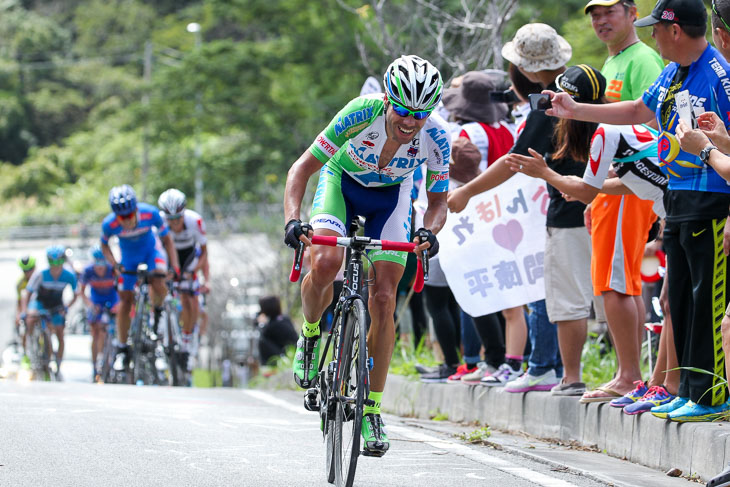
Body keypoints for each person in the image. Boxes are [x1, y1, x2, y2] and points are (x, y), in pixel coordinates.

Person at [547, 0, 730, 422]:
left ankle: (712, 393)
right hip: (676, 196)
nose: (651, 36)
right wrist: (575, 110)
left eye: (656, 29)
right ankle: (687, 388)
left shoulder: (719, 74)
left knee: (707, 301)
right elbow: (636, 111)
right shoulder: (672, 72)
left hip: (712, 197)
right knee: (678, 299)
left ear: (675, 31)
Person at [283, 55, 449, 456]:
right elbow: (301, 170)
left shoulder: (437, 139)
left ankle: (371, 409)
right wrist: (293, 219)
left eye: (421, 115)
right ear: (388, 100)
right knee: (324, 263)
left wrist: (430, 229)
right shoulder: (360, 113)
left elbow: (439, 202)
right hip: (341, 183)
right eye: (404, 111)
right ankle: (309, 334)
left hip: (391, 199)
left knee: (384, 298)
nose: (411, 123)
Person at [507, 64, 674, 407]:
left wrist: (546, 173)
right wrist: (589, 191)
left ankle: (639, 378)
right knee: (667, 302)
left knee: (616, 285)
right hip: (671, 213)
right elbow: (628, 181)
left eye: (556, 104)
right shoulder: (619, 132)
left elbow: (585, 190)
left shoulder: (604, 134)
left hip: (681, 213)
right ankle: (656, 382)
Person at [449, 23, 589, 394]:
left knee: (551, 290)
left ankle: (544, 366)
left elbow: (514, 160)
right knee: (565, 291)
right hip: (585, 199)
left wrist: (468, 193)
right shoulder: (573, 90)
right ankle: (558, 368)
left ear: (524, 69)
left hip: (568, 205)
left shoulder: (549, 101)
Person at [101, 185, 180, 372]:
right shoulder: (109, 224)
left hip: (151, 252)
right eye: (122, 218)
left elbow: (167, 241)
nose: (127, 221)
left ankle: (158, 317)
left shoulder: (150, 214)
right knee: (125, 300)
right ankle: (122, 348)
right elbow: (104, 246)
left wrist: (174, 267)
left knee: (158, 282)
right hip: (128, 258)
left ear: (136, 209)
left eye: (130, 215)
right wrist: (114, 264)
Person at [158, 188, 208, 366]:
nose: (175, 222)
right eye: (170, 219)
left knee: (189, 298)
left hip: (188, 260)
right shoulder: (159, 222)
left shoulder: (195, 221)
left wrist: (196, 273)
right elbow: (156, 250)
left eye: (178, 217)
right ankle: (159, 331)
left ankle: (186, 340)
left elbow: (203, 253)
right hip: (168, 258)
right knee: (157, 288)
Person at [20, 245, 78, 379]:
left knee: (60, 333)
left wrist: (67, 307)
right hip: (40, 303)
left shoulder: (69, 275)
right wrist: (25, 311)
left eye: (58, 262)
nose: (55, 266)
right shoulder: (40, 273)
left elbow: (76, 294)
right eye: (52, 262)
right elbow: (27, 293)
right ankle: (28, 349)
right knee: (29, 319)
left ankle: (58, 363)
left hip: (57, 305)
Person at [79, 245, 119, 382]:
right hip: (96, 302)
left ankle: (112, 354)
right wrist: (90, 305)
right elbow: (82, 293)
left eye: (103, 264)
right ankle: (95, 363)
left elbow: (123, 286)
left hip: (113, 299)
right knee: (95, 332)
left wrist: (119, 304)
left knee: (107, 329)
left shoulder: (112, 270)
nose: (100, 268)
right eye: (98, 264)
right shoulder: (87, 271)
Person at [257, 295, 298, 364]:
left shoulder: (272, 326)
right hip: (293, 351)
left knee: (262, 341)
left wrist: (261, 324)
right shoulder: (284, 319)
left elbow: (264, 338)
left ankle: (269, 365)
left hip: (285, 356)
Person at [15, 256, 36, 351]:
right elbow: (19, 301)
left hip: (40, 305)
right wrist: (18, 315)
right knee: (24, 331)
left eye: (30, 270)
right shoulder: (20, 283)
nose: (28, 273)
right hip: (27, 307)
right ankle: (25, 353)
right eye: (25, 270)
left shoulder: (40, 277)